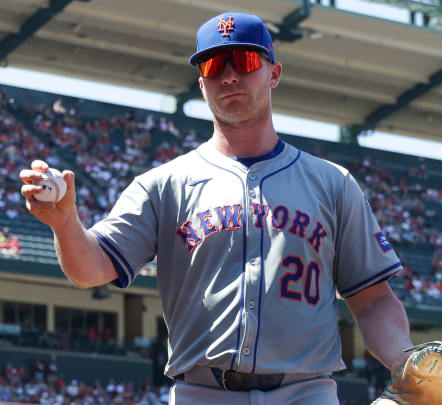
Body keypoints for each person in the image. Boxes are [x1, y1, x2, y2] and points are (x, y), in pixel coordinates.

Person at [20, 12, 413, 405]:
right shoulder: (163, 185)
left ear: (274, 73)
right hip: (201, 393)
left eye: (243, 61)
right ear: (201, 83)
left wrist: (406, 363)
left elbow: (374, 299)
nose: (228, 76)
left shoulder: (333, 183)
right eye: (213, 65)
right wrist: (65, 223)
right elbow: (91, 269)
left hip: (306, 392)